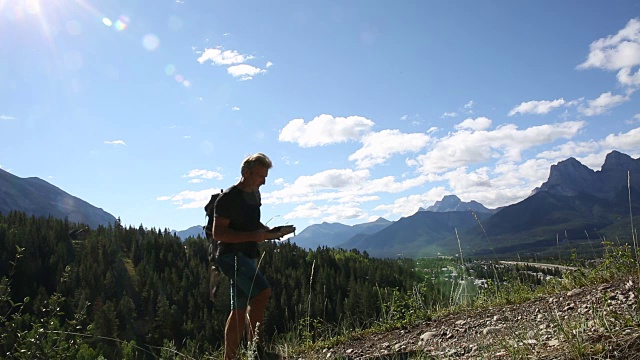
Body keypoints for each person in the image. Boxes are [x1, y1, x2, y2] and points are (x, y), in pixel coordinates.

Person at [212, 153, 293, 360]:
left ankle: (230, 357)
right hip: (231, 256)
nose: (264, 182)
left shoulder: (254, 195)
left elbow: (251, 224)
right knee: (262, 293)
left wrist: (270, 232)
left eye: (265, 176)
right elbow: (218, 233)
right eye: (260, 176)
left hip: (247, 255)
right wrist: (255, 236)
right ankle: (256, 352)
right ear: (246, 173)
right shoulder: (228, 199)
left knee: (238, 310)